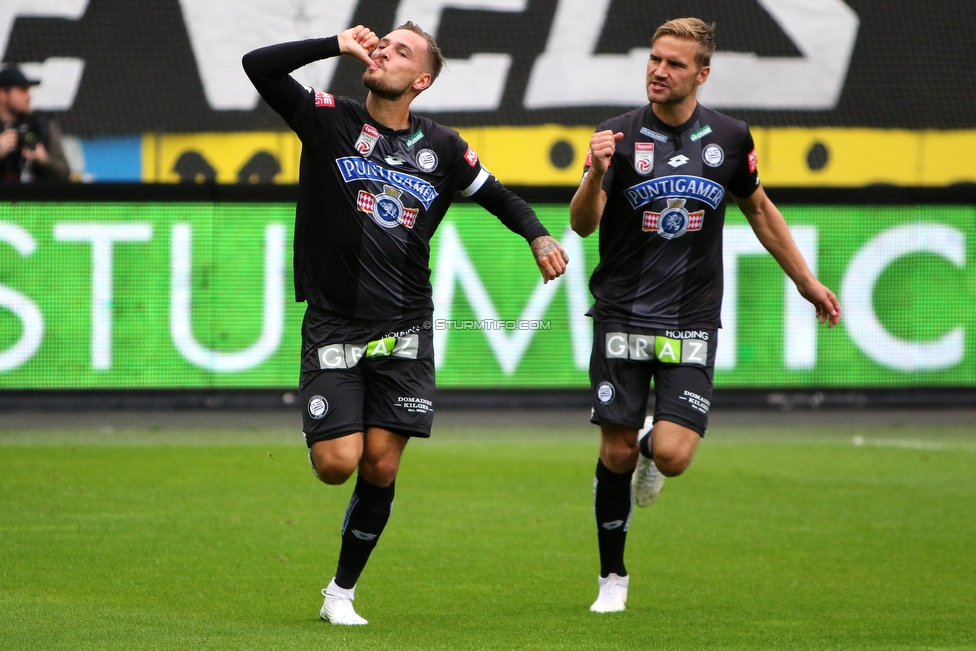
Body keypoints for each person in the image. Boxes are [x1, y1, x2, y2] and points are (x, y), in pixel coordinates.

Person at [242, 23, 568, 625]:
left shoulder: (442, 147)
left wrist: (538, 234)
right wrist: (334, 44)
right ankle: (327, 426)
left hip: (406, 324)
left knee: (382, 464)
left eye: (399, 50)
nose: (383, 52)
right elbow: (257, 63)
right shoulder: (327, 118)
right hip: (336, 323)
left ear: (419, 81)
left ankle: (340, 593)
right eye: (381, 44)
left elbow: (498, 195)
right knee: (337, 465)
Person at [569, 17, 841, 613]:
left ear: (702, 73)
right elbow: (583, 223)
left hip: (692, 315)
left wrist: (806, 281)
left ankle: (649, 450)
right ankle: (612, 578)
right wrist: (593, 172)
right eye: (654, 59)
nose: (659, 71)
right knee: (611, 453)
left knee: (674, 454)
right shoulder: (616, 135)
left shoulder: (730, 138)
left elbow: (761, 210)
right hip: (621, 312)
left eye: (673, 63)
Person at [0, 67, 70, 182]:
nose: (29, 97)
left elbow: (65, 173)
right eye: (22, 91)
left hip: (34, 198)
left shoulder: (42, 124)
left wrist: (45, 160)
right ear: (2, 94)